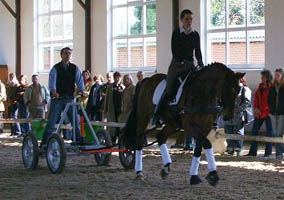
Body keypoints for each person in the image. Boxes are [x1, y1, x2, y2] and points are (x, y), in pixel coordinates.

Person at [152, 9, 204, 126]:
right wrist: (181, 63)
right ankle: (157, 114)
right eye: (187, 19)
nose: (189, 21)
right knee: (170, 89)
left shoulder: (195, 34)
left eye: (191, 19)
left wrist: (200, 62)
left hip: (190, 65)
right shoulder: (176, 33)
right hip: (177, 64)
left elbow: (198, 51)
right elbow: (175, 50)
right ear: (182, 20)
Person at [40, 47, 86, 147]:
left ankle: (77, 139)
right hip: (58, 99)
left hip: (70, 98)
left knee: (74, 120)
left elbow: (79, 81)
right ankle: (45, 142)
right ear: (61, 55)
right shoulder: (55, 68)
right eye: (65, 53)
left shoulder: (75, 68)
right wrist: (54, 92)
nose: (67, 55)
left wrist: (82, 91)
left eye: (69, 53)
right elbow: (52, 82)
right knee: (52, 121)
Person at [246, 70, 273, 157]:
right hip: (259, 113)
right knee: (254, 132)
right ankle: (252, 152)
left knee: (269, 133)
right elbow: (256, 99)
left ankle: (267, 153)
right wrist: (256, 108)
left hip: (268, 114)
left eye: (263, 77)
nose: (262, 78)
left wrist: (264, 109)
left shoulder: (272, 87)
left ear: (268, 78)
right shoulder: (260, 87)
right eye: (262, 77)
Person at [224, 77, 252, 155]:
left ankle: (238, 148)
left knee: (238, 131)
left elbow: (247, 102)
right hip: (229, 114)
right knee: (228, 131)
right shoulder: (227, 89)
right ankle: (230, 148)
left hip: (239, 114)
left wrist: (237, 110)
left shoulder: (245, 89)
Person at [268, 68, 284, 160]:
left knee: (278, 134)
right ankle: (280, 152)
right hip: (273, 113)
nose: (276, 77)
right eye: (275, 75)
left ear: (282, 76)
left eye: (278, 75)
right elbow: (269, 99)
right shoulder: (272, 87)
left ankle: (278, 153)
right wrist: (270, 109)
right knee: (275, 134)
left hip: (282, 113)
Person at [104, 71, 124, 143]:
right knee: (112, 127)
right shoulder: (110, 87)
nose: (117, 79)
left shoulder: (123, 87)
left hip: (121, 111)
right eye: (116, 77)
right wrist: (105, 110)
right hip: (112, 110)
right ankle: (112, 142)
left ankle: (120, 142)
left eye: (119, 77)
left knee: (120, 127)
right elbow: (106, 98)